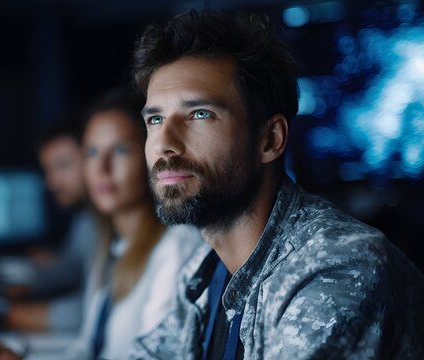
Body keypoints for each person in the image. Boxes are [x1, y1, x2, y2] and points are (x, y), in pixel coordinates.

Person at [127, 11, 424, 359]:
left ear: (269, 140)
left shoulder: (337, 268)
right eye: (156, 119)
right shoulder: (206, 272)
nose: (165, 143)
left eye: (199, 114)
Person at [0, 90, 204, 360]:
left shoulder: (176, 246)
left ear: (150, 155)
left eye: (120, 150)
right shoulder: (112, 247)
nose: (102, 168)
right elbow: (88, 350)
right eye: (93, 152)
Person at [0, 116, 98, 332]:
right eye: (47, 170)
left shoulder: (105, 222)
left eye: (62, 166)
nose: (50, 183)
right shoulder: (87, 220)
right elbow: (68, 270)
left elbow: (92, 314)